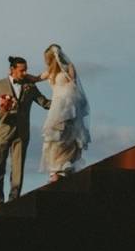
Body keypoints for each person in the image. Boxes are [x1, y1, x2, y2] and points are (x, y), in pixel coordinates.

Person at [0, 55, 50, 205]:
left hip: (22, 133)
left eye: (26, 70)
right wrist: (1, 113)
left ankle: (14, 199)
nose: (24, 73)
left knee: (18, 167)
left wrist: (63, 101)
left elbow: (45, 102)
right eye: (21, 70)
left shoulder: (30, 86)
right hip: (2, 131)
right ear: (12, 70)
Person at [32, 44, 91, 182]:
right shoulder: (51, 71)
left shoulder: (65, 68)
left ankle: (62, 167)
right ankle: (57, 168)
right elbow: (35, 78)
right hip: (61, 105)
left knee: (66, 136)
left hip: (66, 105)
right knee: (56, 137)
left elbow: (73, 83)